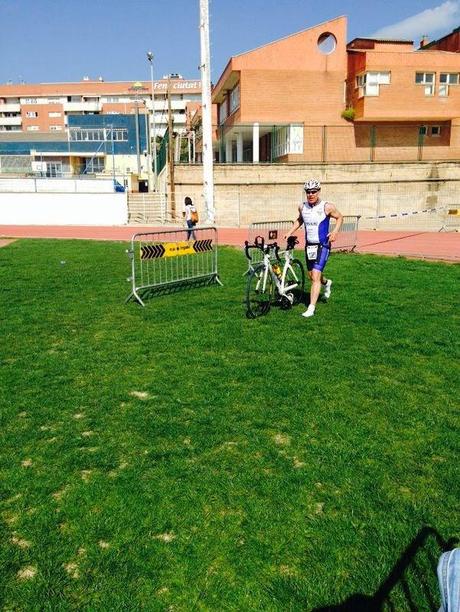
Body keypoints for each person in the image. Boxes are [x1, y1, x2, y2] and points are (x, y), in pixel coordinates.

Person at [286, 179, 343, 318]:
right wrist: (290, 231)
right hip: (309, 246)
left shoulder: (327, 207)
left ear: (318, 191)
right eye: (308, 192)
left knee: (315, 276)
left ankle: (311, 308)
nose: (311, 194)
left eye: (313, 192)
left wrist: (335, 231)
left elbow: (340, 217)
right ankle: (327, 282)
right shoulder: (302, 207)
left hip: (323, 245)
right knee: (312, 275)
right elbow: (300, 220)